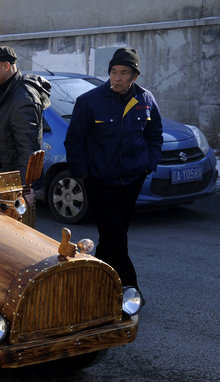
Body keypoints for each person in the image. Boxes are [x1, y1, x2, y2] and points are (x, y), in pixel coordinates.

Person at [65, 48, 162, 289]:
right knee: (116, 235)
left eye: (124, 73)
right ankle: (130, 289)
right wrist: (83, 174)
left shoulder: (145, 100)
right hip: (99, 181)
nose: (117, 78)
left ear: (134, 76)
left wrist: (147, 165)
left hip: (131, 181)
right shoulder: (89, 101)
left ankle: (97, 286)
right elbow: (74, 140)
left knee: (111, 239)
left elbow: (155, 135)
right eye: (113, 72)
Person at [0, 46, 51, 184]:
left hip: (12, 185)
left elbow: (28, 149)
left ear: (6, 66)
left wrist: (23, 189)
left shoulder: (23, 98)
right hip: (1, 179)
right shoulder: (7, 90)